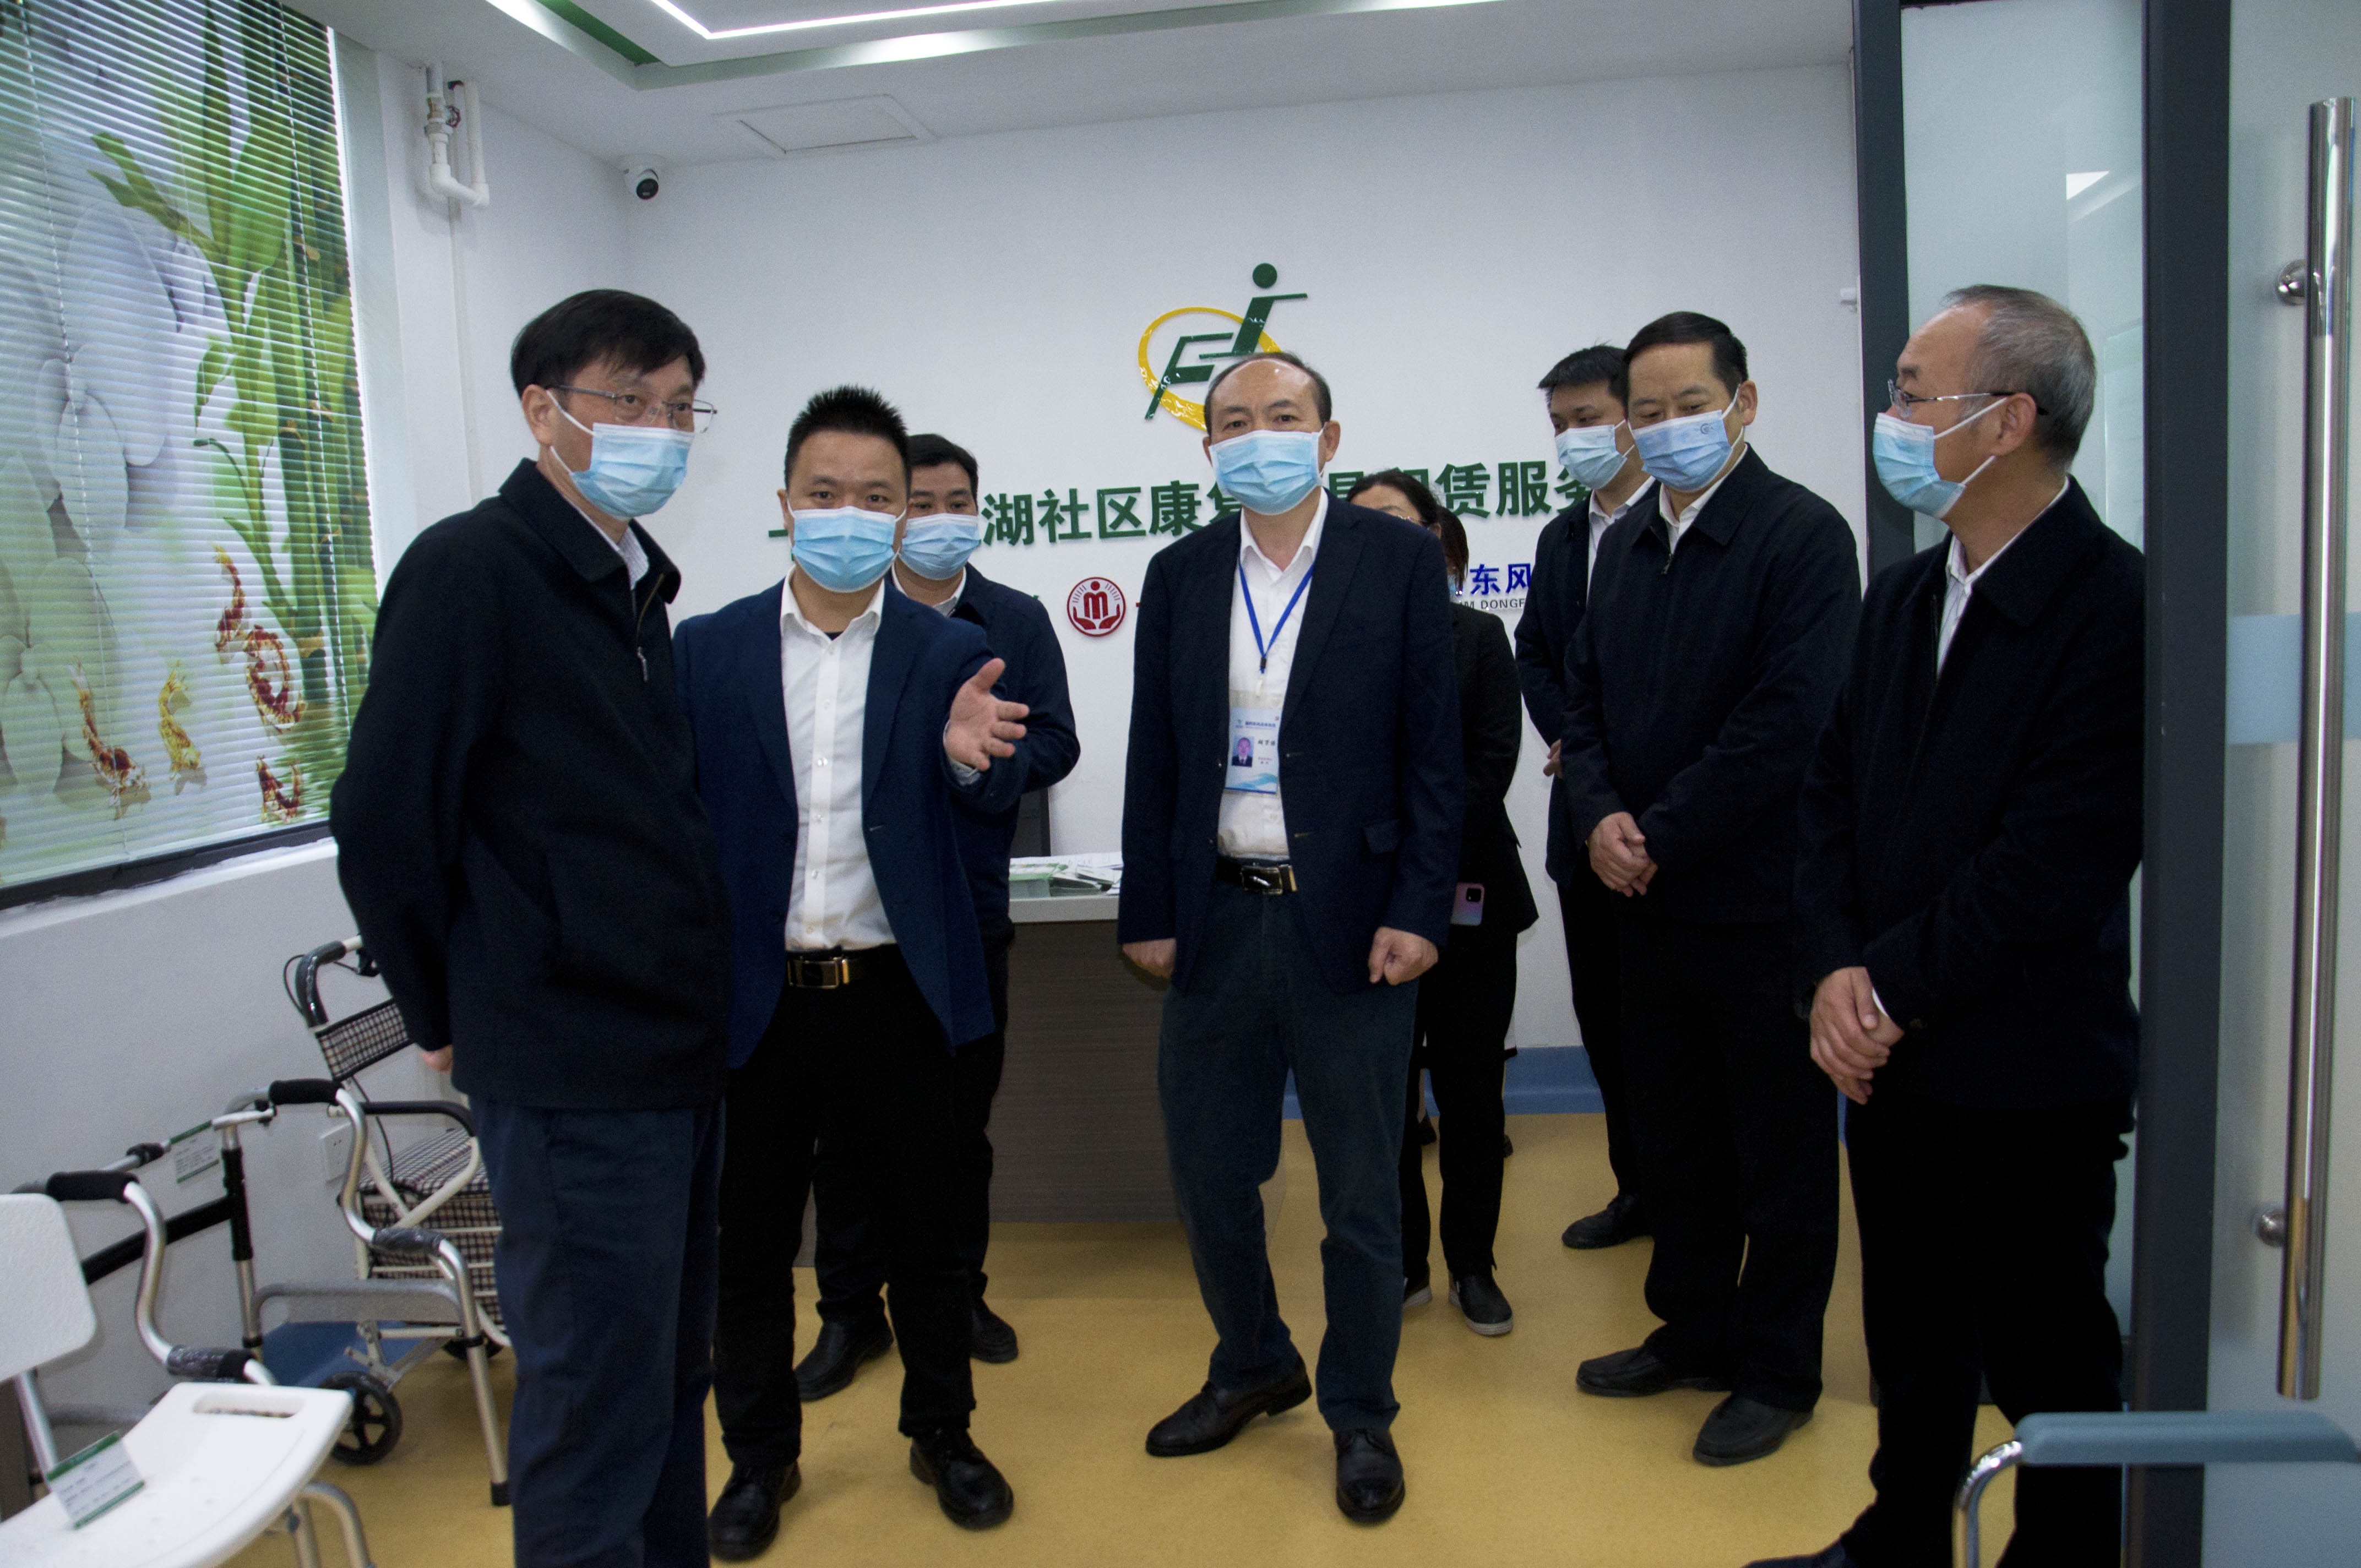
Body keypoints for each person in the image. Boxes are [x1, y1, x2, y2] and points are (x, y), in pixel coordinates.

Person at [330, 289, 731, 1568]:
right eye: (631, 400)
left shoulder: (631, 583)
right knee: (593, 1405)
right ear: (542, 409)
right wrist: (442, 1011)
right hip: (568, 1067)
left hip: (669, 1055)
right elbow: (383, 821)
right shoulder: (473, 569)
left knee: (668, 1379)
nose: (659, 429)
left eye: (681, 407)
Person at [1754, 287, 2142, 1568]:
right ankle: (1900, 1536)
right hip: (1892, 1061)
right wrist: (1830, 970)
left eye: (1913, 392)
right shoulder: (1906, 593)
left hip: (2025, 1066)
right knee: (1912, 1334)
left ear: (2007, 419)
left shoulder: (2114, 605)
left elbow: (2050, 864)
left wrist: (1877, 989)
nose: (1891, 416)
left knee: (2046, 1351)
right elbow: (1828, 795)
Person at [676, 388, 1032, 1551]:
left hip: (897, 996)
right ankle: (758, 1458)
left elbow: (991, 789)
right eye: (824, 492)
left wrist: (967, 762)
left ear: (899, 517)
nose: (849, 513)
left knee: (929, 1236)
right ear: (784, 503)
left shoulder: (948, 650)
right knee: (748, 1247)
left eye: (876, 497)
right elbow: (679, 822)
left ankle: (943, 1432)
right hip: (756, 1003)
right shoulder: (707, 649)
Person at [1119, 352, 1460, 1525]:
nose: (1256, 435)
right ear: (1207, 447)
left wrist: (1418, 908)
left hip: (1352, 922)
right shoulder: (1179, 572)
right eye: (1232, 421)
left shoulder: (1396, 561)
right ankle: (1254, 1360)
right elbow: (1155, 751)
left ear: (1327, 437)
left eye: (1281, 415)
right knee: (1211, 1173)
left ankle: (1360, 1409)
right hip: (1217, 914)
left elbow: (1434, 752)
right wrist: (1150, 911)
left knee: (1361, 1190)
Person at [1559, 311, 1859, 1467]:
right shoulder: (1627, 545)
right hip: (1646, 905)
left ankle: (1777, 1368)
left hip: (1759, 906)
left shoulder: (1801, 535)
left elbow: (1788, 722)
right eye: (1648, 411)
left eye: (1691, 404)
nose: (1667, 426)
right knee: (1673, 1137)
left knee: (1777, 1151)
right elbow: (1584, 707)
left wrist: (1659, 833)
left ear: (1743, 404)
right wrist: (1598, 816)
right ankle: (1689, 1332)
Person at [800, 433, 1080, 1397]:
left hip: (964, 913)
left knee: (959, 1129)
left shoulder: (1014, 620)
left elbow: (1056, 743)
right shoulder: (842, 621)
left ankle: (960, 1296)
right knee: (844, 1138)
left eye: (958, 501)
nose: (939, 519)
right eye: (918, 503)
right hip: (852, 923)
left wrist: (979, 763)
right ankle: (850, 1315)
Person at [1347, 470, 1536, 1337]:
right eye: (1362, 526)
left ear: (1434, 535)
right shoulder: (1333, 642)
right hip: (1366, 908)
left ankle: (1473, 1265)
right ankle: (1405, 1264)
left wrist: (1411, 852)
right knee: (1385, 1102)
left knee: (1470, 1095)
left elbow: (1489, 767)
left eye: (1398, 522)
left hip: (1468, 899)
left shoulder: (1479, 637)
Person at [1513, 344, 1654, 1251]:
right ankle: (1638, 1188)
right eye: (1561, 425)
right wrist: (1577, 737)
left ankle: (1702, 1201)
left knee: (1680, 1034)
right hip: (1584, 823)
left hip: (1671, 831)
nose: (1575, 438)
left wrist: (1610, 749)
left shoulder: (1681, 526)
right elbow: (1534, 651)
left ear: (1635, 417)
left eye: (1589, 419)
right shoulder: (1563, 538)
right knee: (1606, 1021)